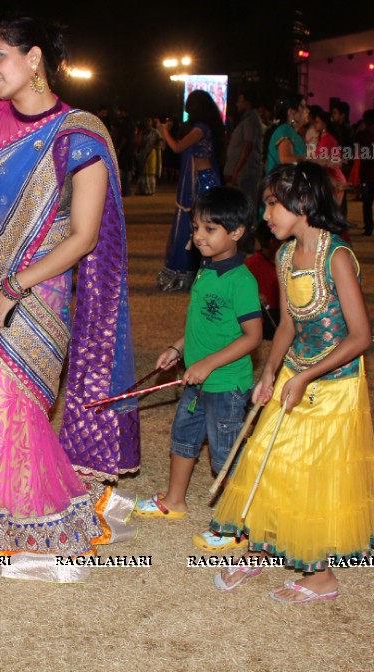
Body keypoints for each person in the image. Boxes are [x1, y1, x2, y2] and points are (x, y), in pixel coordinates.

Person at [0, 17, 138, 581]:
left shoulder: (80, 132)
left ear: (35, 57)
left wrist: (17, 284)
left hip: (38, 288)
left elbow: (84, 235)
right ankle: (20, 519)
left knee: (11, 398)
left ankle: (25, 523)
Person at [207, 163, 374, 602]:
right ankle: (260, 549)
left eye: (272, 203)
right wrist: (269, 372)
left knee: (314, 473)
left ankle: (321, 575)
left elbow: (360, 335)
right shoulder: (285, 256)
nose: (265, 214)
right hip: (296, 373)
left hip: (334, 384)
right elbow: (286, 326)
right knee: (266, 458)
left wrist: (307, 375)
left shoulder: (337, 257)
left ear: (304, 203)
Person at [133, 188, 262, 527]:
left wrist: (208, 364)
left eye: (210, 229)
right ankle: (175, 501)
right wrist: (179, 347)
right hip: (196, 379)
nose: (199, 237)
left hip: (225, 386)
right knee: (183, 439)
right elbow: (202, 326)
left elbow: (253, 337)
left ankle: (238, 521)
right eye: (195, 228)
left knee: (226, 453)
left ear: (236, 233)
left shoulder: (241, 281)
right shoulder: (206, 271)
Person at [157, 89, 224, 291]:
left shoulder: (201, 128)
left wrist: (164, 131)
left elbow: (177, 147)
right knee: (198, 223)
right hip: (202, 178)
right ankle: (197, 268)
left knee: (199, 222)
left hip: (204, 181)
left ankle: (193, 269)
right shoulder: (205, 127)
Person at [224, 90, 264, 207]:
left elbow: (248, 146)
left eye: (239, 101)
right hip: (244, 172)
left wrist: (236, 171)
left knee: (245, 206)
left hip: (246, 173)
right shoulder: (247, 120)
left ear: (247, 103)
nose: (237, 104)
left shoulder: (250, 120)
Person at [264, 96, 309, 174]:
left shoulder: (296, 136)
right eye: (303, 107)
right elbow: (286, 159)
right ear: (291, 112)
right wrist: (319, 161)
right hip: (279, 184)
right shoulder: (285, 129)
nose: (308, 110)